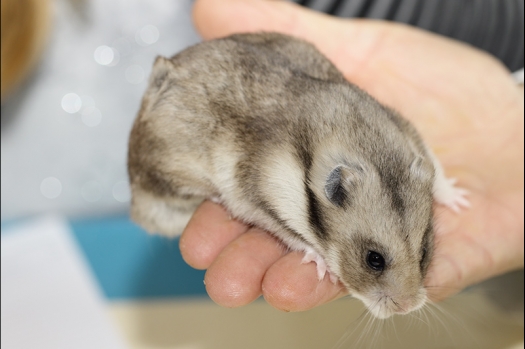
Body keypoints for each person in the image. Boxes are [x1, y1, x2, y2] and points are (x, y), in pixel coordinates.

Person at [179, 0, 524, 312]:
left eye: (421, 256)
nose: (406, 301)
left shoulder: (405, 157)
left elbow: (414, 145)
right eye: (375, 261)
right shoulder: (309, 170)